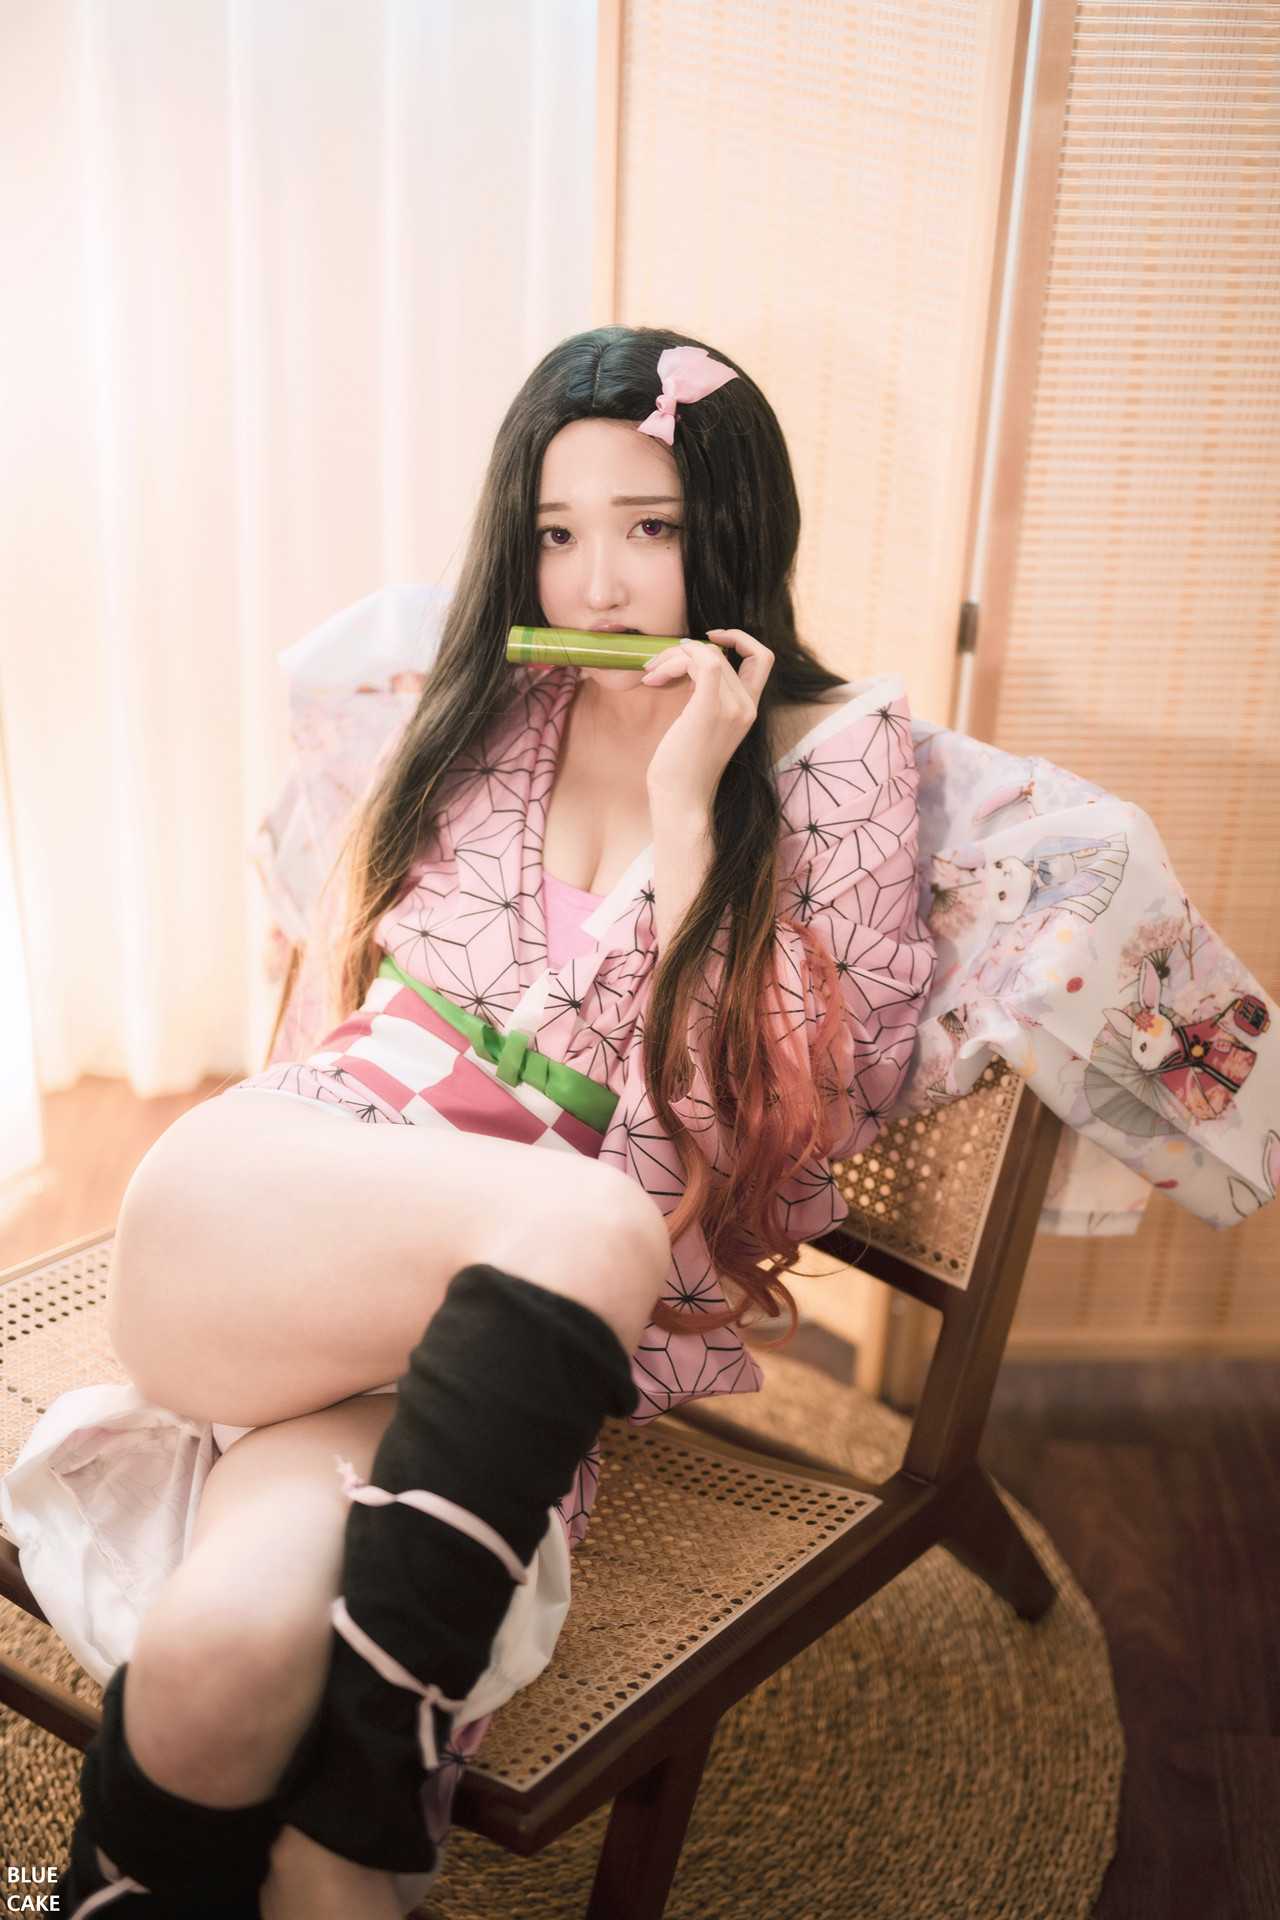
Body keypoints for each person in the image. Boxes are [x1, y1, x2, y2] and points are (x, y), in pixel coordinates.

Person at [18, 327, 935, 1917]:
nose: (597, 583)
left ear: (735, 523)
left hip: (486, 1366)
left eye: (649, 528)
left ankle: (272, 1851)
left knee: (219, 1661)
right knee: (584, 1210)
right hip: (277, 1211)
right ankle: (379, 1807)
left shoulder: (841, 761)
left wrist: (689, 815)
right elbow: (351, 1009)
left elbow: (740, 1151)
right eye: (557, 533)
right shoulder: (495, 703)